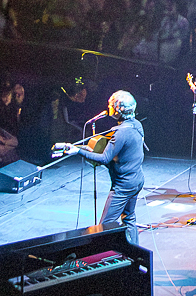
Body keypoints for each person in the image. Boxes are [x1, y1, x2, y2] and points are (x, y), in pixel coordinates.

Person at [54, 91, 144, 230]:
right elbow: (121, 153)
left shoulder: (120, 133)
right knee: (129, 218)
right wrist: (80, 148)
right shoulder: (136, 125)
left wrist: (78, 151)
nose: (109, 108)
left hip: (123, 185)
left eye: (111, 105)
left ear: (118, 109)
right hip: (137, 180)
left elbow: (104, 159)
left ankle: (105, 245)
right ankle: (132, 245)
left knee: (105, 225)